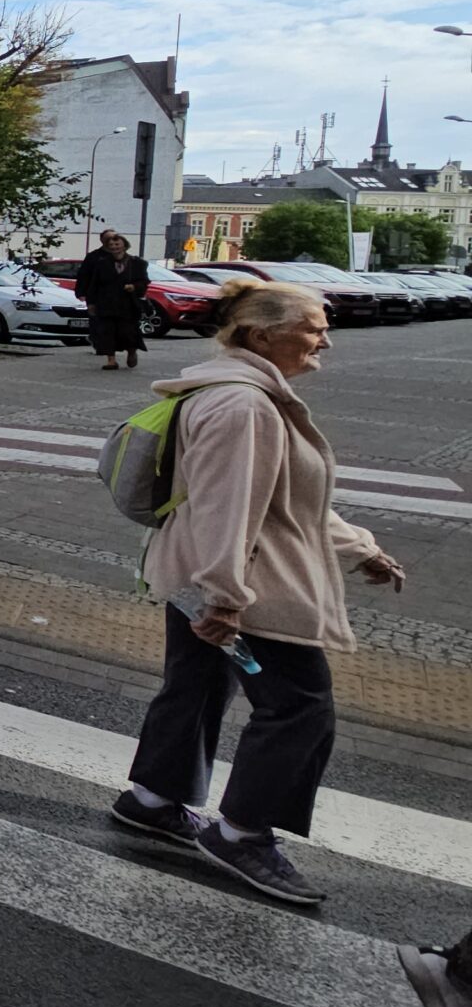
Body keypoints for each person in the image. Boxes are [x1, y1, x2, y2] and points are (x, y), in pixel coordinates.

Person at [111, 278, 405, 906]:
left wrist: (360, 549)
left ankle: (151, 800)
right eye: (313, 325)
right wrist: (225, 598)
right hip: (246, 584)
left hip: (198, 571)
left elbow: (287, 500)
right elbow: (227, 505)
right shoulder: (245, 406)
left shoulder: (238, 394)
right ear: (262, 334)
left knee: (195, 686)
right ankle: (242, 834)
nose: (325, 336)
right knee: (300, 706)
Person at [76, 229, 150, 370]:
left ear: (124, 245)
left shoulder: (137, 263)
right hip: (106, 302)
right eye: (111, 245)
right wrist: (91, 302)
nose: (114, 247)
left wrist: (134, 287)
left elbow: (144, 281)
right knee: (106, 331)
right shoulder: (101, 263)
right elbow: (94, 283)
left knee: (127, 331)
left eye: (117, 244)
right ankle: (111, 360)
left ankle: (132, 351)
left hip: (127, 304)